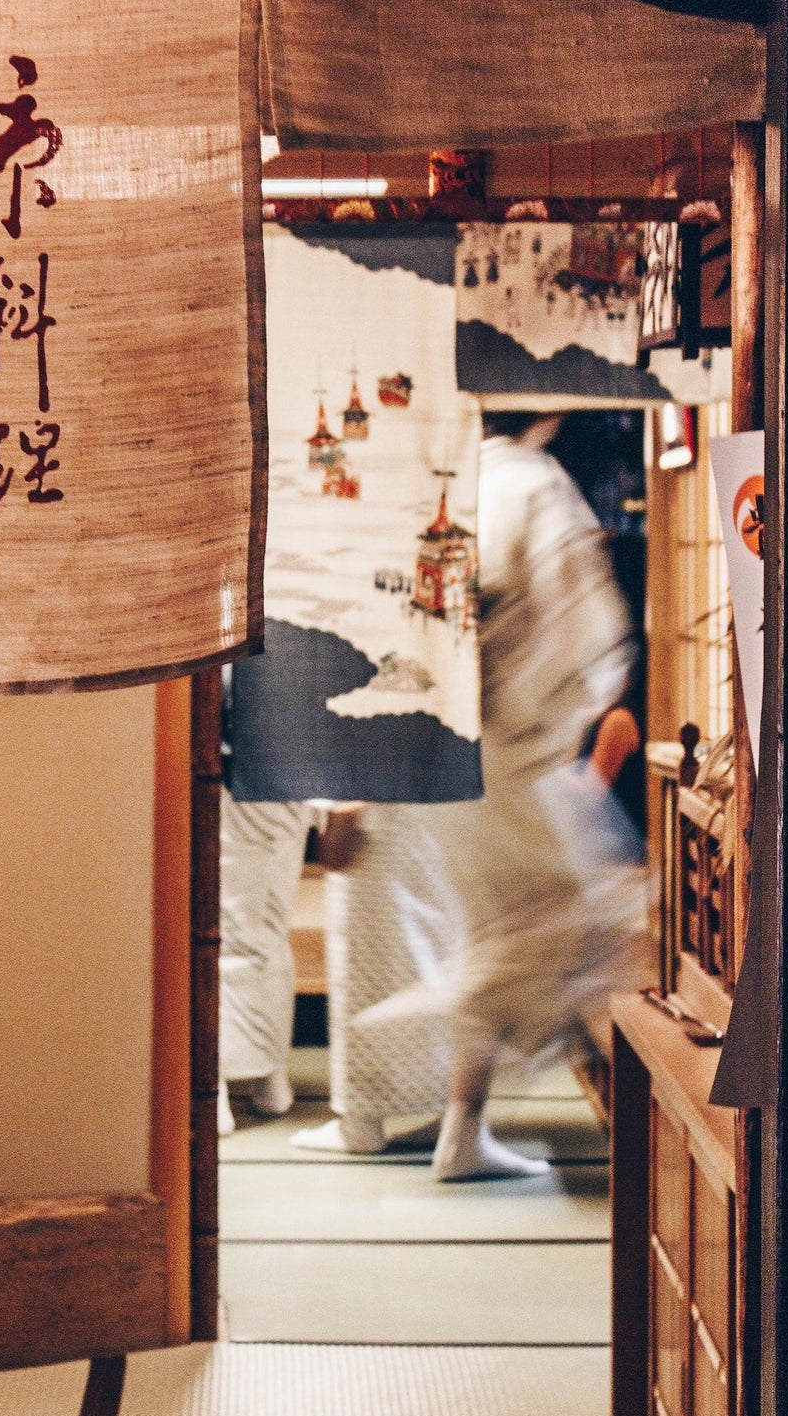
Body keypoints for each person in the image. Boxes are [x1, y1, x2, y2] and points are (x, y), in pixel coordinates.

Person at [308, 411, 651, 1177]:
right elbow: (586, 624)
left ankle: (464, 1130)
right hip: (515, 748)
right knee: (596, 926)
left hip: (448, 753)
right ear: (546, 408)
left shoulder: (445, 485)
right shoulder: (532, 482)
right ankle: (650, 1154)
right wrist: (582, 703)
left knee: (507, 929)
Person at [217, 791, 313, 1134]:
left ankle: (217, 1086)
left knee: (229, 931)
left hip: (236, 775)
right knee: (266, 932)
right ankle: (272, 1079)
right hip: (287, 778)